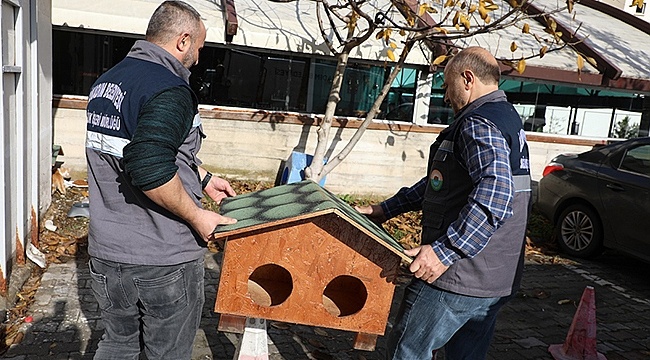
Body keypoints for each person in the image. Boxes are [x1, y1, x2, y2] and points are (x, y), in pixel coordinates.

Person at [357, 46, 531, 359]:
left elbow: (497, 194)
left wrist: (443, 253)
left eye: (447, 85)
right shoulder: (507, 118)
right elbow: (443, 183)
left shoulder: (479, 123)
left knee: (407, 352)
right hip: (495, 279)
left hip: (457, 278)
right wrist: (384, 209)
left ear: (467, 79)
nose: (446, 96)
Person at [84, 1, 237, 359]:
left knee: (117, 344)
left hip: (108, 256)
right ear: (183, 41)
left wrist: (203, 177)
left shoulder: (108, 82)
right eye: (199, 47)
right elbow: (150, 166)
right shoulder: (169, 89)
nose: (199, 58)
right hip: (162, 258)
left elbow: (141, 148)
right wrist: (198, 217)